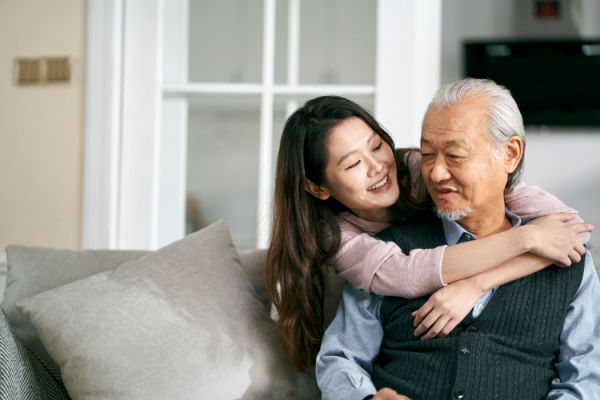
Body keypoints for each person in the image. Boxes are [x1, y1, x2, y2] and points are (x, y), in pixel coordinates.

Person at [315, 79, 600, 399]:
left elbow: (585, 377)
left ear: (510, 154)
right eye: (426, 154)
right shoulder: (385, 251)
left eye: (455, 156)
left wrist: (477, 283)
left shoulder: (567, 258)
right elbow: (341, 359)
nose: (435, 173)